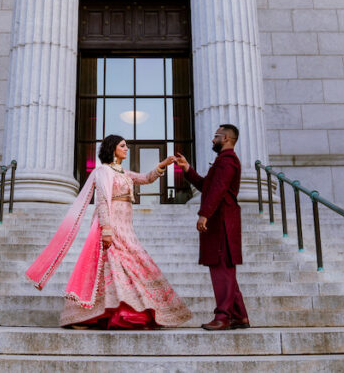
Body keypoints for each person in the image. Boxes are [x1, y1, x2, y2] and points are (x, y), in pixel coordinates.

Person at [26, 134, 192, 329]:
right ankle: (87, 315)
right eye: (123, 146)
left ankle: (124, 310)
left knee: (132, 267)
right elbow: (104, 199)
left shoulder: (122, 172)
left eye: (126, 146)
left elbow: (146, 178)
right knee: (111, 268)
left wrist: (163, 163)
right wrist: (106, 229)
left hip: (126, 228)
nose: (126, 149)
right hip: (111, 226)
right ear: (113, 148)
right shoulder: (104, 171)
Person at [174, 123, 249, 330]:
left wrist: (203, 214)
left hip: (222, 221)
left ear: (226, 138)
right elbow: (207, 185)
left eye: (216, 136)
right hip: (221, 220)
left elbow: (217, 190)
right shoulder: (222, 161)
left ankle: (223, 317)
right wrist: (187, 169)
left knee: (222, 269)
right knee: (223, 268)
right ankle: (239, 315)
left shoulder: (228, 161)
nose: (212, 140)